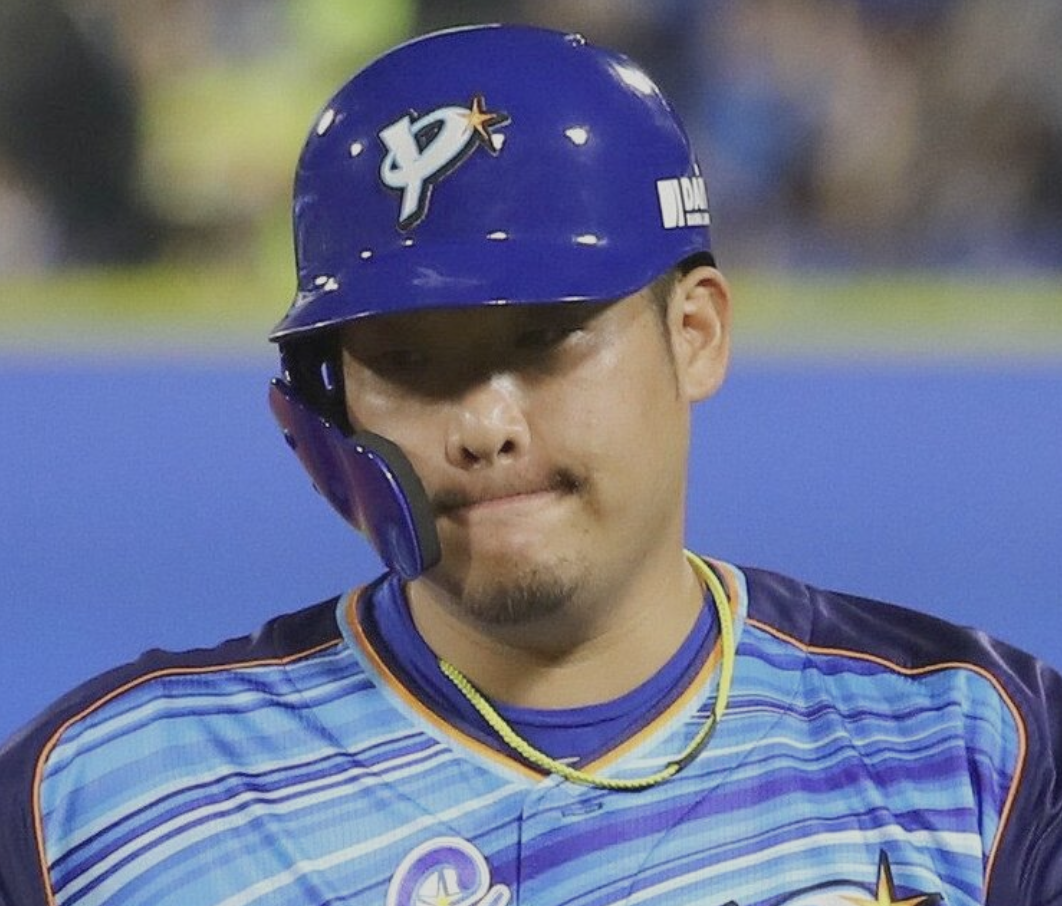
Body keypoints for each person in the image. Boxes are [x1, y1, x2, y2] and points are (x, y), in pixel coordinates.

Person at [1, 23, 1059, 906]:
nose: (483, 425)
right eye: (407, 362)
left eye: (545, 339)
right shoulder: (106, 802)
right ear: (327, 407)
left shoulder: (974, 753)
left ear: (694, 334)